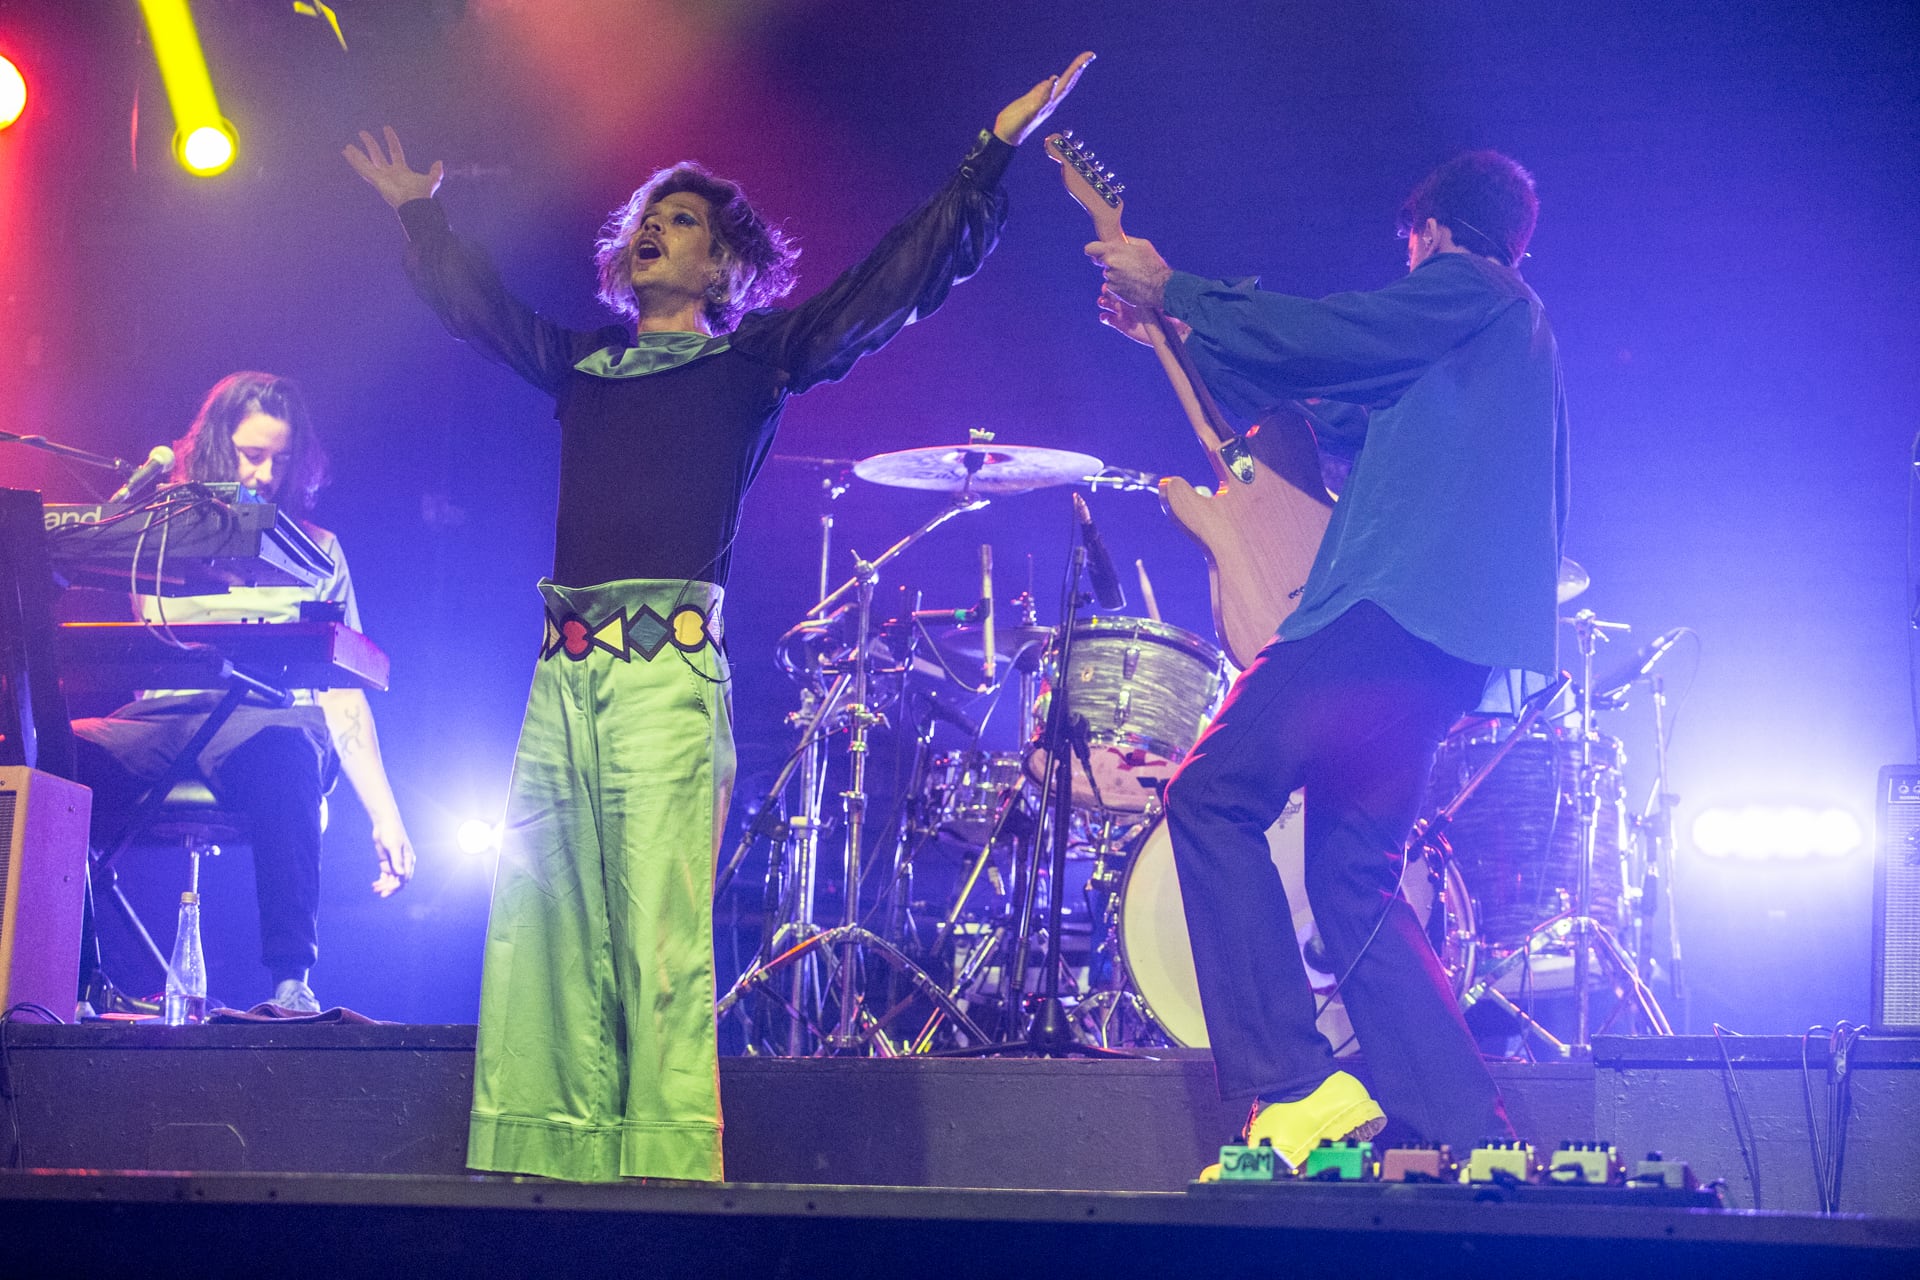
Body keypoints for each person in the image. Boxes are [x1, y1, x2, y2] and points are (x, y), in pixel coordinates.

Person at [344, 51, 1094, 1184]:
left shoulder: (753, 361)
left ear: (725, 260)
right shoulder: (583, 361)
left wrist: (986, 158)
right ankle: (551, 1154)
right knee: (544, 925)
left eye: (681, 219)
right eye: (648, 216)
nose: (654, 228)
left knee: (657, 930)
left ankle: (661, 1171)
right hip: (564, 675)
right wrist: (423, 217)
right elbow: (481, 311)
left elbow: (884, 287)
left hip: (664, 677)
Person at [1088, 150, 1567, 1172]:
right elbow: (1312, 405)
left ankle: (1296, 1087)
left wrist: (1178, 286)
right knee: (1352, 876)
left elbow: (1324, 338)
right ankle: (1474, 1132)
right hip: (1444, 650)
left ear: (1431, 232)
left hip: (1389, 612)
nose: (1408, 262)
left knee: (1212, 794)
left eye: (1410, 245)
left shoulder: (1470, 289)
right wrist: (1170, 329)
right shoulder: (1477, 348)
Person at [73, 371, 415, 1014]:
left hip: (266, 721)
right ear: (214, 449)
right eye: (251, 455)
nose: (264, 475)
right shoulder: (162, 533)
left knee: (289, 759)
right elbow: (155, 623)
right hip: (163, 717)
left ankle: (292, 979)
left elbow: (342, 694)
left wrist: (384, 812)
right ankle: (77, 972)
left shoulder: (319, 551)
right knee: (60, 760)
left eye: (280, 461)